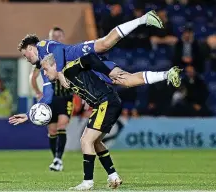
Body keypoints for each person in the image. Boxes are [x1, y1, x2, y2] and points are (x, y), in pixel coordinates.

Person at [9, 52, 182, 190]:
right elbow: (47, 101)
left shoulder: (69, 69)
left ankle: (88, 182)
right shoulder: (64, 80)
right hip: (105, 104)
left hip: (106, 102)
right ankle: (113, 176)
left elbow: (90, 57)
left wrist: (107, 73)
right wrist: (28, 115)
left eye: (46, 70)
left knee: (86, 140)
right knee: (96, 142)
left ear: (55, 65)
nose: (45, 74)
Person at [17, 10, 164, 88]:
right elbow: (47, 89)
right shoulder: (42, 65)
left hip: (79, 53)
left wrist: (60, 73)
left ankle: (144, 19)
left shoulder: (42, 46)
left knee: (105, 43)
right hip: (89, 70)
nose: (26, 58)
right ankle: (166, 75)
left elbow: (58, 51)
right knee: (126, 81)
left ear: (31, 48)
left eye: (25, 54)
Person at [30, 27, 73, 171]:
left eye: (59, 36)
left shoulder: (68, 54)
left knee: (62, 125)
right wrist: (37, 92)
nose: (57, 38)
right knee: (52, 130)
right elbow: (33, 76)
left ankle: (58, 159)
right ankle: (56, 158)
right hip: (51, 98)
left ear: (63, 37)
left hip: (66, 97)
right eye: (53, 36)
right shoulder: (43, 57)